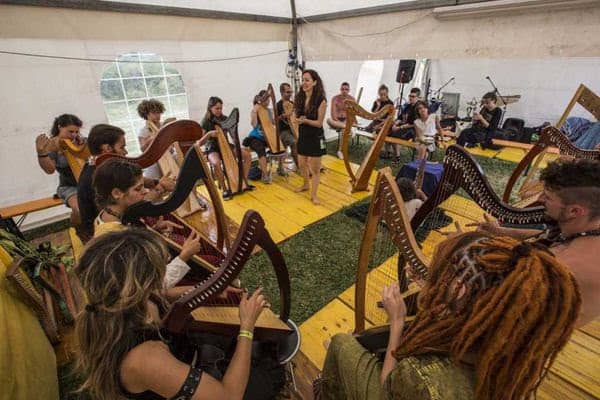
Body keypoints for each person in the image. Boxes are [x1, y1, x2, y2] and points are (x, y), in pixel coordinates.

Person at [320, 231, 581, 400]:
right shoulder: (518, 348)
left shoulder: (420, 376)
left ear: (460, 290)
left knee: (342, 343)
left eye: (449, 274)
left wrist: (397, 322)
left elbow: (388, 386)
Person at [74, 228, 271, 400]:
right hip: (185, 380)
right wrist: (246, 325)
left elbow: (163, 293)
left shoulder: (121, 304)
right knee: (268, 376)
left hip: (180, 358)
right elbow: (229, 396)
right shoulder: (145, 360)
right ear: (138, 287)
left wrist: (209, 290)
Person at [468, 158, 600, 326]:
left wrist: (458, 248)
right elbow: (548, 234)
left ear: (574, 211)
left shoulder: (558, 265)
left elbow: (500, 305)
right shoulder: (588, 227)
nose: (538, 198)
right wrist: (501, 232)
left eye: (548, 197)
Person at [92, 158, 200, 289]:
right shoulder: (117, 239)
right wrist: (184, 256)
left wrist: (154, 229)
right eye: (138, 189)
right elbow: (152, 287)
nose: (146, 191)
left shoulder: (106, 215)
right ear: (117, 193)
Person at [77, 124, 175, 242]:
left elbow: (134, 186)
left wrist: (157, 183)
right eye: (122, 147)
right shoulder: (96, 177)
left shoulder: (95, 166)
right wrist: (160, 188)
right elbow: (136, 207)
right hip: (103, 239)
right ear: (107, 148)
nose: (125, 152)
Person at [35, 114, 84, 226]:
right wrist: (41, 153)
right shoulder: (52, 145)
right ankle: (79, 231)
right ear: (60, 127)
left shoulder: (80, 142)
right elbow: (49, 170)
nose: (74, 135)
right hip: (69, 186)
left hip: (87, 184)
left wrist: (83, 149)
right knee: (80, 209)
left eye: (77, 132)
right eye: (70, 132)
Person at [199, 97, 252, 200]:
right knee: (216, 163)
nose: (219, 111)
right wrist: (209, 134)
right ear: (210, 108)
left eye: (221, 108)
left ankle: (243, 181)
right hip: (212, 147)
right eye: (217, 108)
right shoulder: (206, 121)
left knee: (247, 155)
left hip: (225, 146)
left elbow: (231, 134)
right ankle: (224, 189)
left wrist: (233, 135)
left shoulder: (225, 119)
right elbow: (200, 142)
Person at [295, 69, 327, 205]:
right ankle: (305, 184)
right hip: (303, 134)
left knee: (314, 169)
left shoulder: (321, 100)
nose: (304, 83)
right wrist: (297, 119)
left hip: (315, 136)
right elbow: (298, 116)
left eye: (307, 80)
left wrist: (305, 120)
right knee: (301, 163)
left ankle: (314, 195)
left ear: (314, 82)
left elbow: (319, 123)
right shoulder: (300, 97)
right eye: (303, 80)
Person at [137, 99, 177, 179]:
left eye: (159, 112)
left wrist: (171, 146)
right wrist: (152, 138)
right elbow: (143, 149)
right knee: (154, 174)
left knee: (180, 164)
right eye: (154, 113)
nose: (157, 115)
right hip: (153, 160)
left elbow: (172, 143)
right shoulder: (143, 131)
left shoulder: (164, 125)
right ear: (146, 114)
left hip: (168, 155)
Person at [242, 90, 272, 184]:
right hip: (255, 138)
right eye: (265, 100)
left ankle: (280, 167)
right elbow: (254, 125)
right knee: (260, 149)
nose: (267, 102)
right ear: (261, 100)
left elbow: (273, 123)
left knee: (281, 144)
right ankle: (265, 174)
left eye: (268, 99)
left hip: (267, 137)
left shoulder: (269, 111)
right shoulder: (255, 111)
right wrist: (255, 111)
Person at [327, 82, 355, 159]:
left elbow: (352, 114)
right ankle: (349, 129)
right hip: (336, 121)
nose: (344, 91)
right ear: (340, 89)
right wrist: (340, 122)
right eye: (342, 89)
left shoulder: (352, 99)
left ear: (349, 90)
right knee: (328, 120)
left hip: (346, 121)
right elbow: (333, 114)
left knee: (344, 129)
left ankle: (340, 151)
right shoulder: (335, 98)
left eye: (346, 89)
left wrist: (346, 122)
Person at [275, 82, 299, 174]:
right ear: (281, 92)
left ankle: (304, 165)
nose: (290, 94)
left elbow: (296, 117)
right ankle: (299, 167)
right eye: (287, 92)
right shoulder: (278, 105)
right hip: (283, 131)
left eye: (291, 92)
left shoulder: (292, 104)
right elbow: (274, 120)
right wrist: (284, 116)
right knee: (294, 142)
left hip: (293, 130)